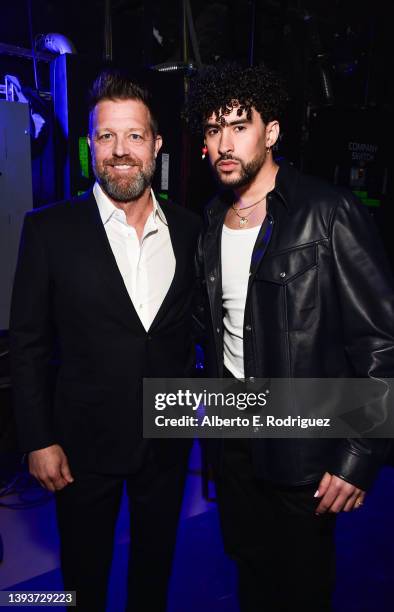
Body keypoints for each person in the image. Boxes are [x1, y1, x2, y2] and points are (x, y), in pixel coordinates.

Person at [186, 63, 394, 611]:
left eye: (238, 125)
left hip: (303, 451)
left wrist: (359, 454)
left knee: (301, 589)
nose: (224, 143)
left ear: (271, 132)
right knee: (250, 577)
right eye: (212, 129)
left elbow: (381, 345)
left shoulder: (329, 214)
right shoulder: (211, 220)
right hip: (234, 445)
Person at [10, 70, 201, 612]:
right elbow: (26, 344)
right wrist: (37, 439)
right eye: (107, 136)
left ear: (156, 146)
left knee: (154, 569)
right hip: (79, 448)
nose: (121, 151)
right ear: (89, 144)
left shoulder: (190, 231)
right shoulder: (47, 230)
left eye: (135, 136)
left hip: (166, 443)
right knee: (81, 578)